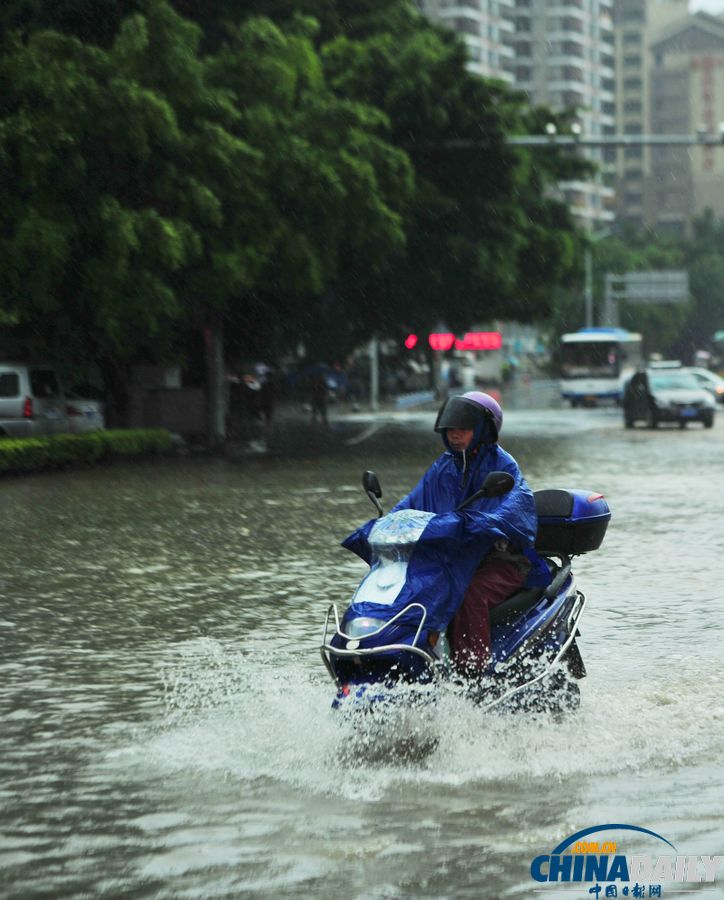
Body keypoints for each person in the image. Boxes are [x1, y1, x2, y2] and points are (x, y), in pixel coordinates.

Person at [390, 391, 541, 675]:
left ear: (483, 429)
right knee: (409, 588)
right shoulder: (443, 467)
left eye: (463, 429)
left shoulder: (503, 466)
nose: (455, 435)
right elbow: (413, 502)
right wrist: (387, 523)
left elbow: (515, 507)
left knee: (469, 593)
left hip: (501, 562)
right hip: (453, 559)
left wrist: (481, 524)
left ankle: (474, 673)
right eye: (450, 429)